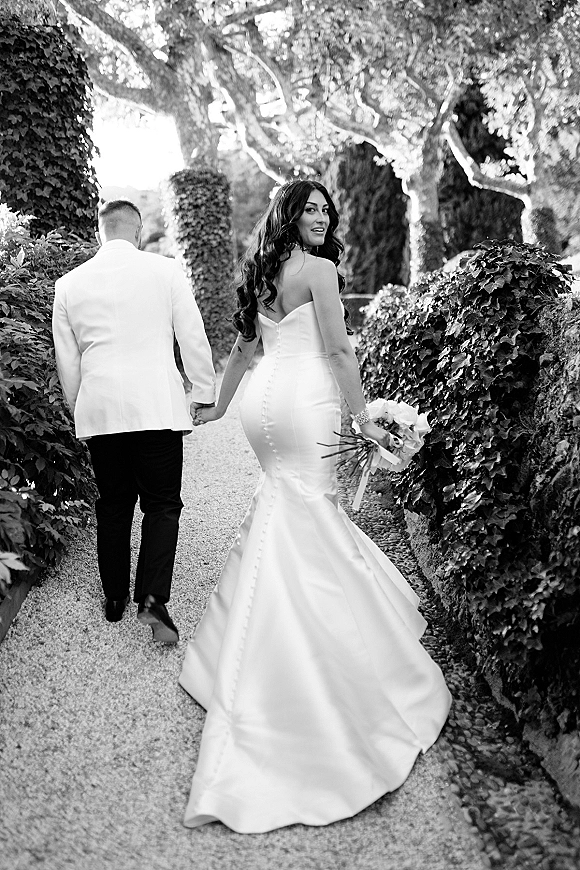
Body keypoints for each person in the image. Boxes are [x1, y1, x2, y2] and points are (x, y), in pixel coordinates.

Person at [179, 180, 451, 832]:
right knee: (310, 511)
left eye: (327, 208)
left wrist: (220, 405)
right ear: (290, 215)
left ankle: (238, 650)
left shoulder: (265, 269)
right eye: (310, 208)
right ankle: (302, 663)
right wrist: (363, 419)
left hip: (264, 400)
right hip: (306, 401)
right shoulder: (322, 271)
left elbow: (246, 349)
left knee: (286, 507)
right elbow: (337, 350)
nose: (321, 216)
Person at [52, 199, 216, 643]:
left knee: (113, 504)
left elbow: (69, 362)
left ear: (100, 232)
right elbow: (192, 334)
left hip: (101, 409)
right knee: (162, 504)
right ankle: (152, 598)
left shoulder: (68, 284)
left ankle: (114, 598)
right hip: (156, 408)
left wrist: (79, 406)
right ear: (138, 232)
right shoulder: (164, 272)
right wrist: (203, 392)